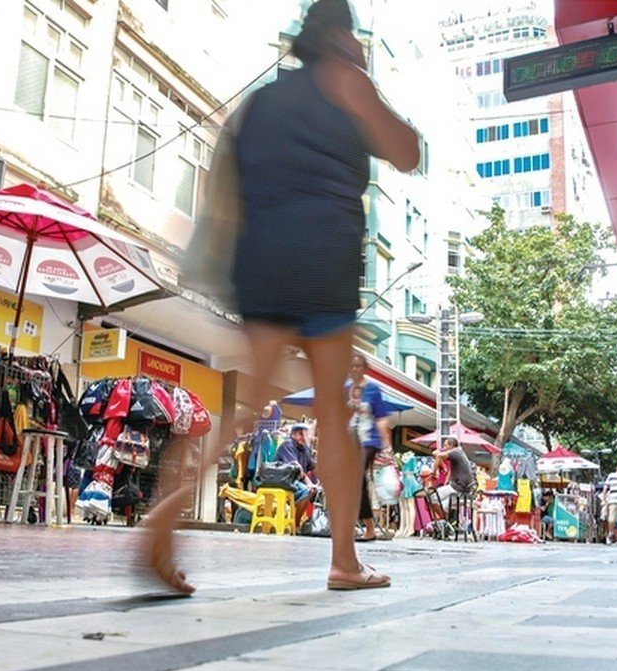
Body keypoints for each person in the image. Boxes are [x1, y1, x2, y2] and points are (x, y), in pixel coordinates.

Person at [137, 0, 418, 593]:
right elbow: (407, 151)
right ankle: (344, 562)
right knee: (335, 414)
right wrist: (364, 82)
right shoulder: (346, 79)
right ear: (341, 36)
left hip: (261, 265)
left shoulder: (262, 101)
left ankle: (164, 514)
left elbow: (229, 188)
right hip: (322, 259)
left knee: (246, 406)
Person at [348, 352, 395, 541]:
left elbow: (382, 418)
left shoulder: (373, 389)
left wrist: (387, 445)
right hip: (350, 440)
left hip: (369, 440)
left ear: (365, 368)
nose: (354, 369)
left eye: (358, 365)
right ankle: (351, 525)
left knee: (357, 476)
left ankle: (369, 527)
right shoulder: (346, 389)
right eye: (351, 365)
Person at [275, 423, 318, 516]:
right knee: (307, 491)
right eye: (301, 434)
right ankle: (295, 524)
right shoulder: (288, 444)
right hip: (282, 479)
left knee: (316, 492)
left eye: (305, 434)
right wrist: (309, 484)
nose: (304, 437)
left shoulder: (304, 448)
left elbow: (314, 467)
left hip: (293, 480)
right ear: (293, 434)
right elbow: (297, 468)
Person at [432, 436, 475, 504]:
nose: (444, 448)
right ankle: (444, 514)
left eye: (445, 446)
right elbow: (435, 453)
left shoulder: (455, 452)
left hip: (458, 487)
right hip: (463, 488)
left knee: (432, 498)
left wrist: (433, 473)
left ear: (451, 445)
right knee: (443, 505)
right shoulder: (460, 453)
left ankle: (442, 514)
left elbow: (438, 456)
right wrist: (446, 482)